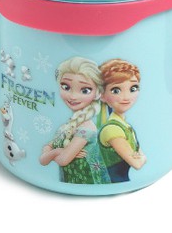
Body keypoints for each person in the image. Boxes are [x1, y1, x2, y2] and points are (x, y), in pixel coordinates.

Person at [39, 57, 110, 185]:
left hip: (88, 182)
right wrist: (57, 152)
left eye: (85, 90)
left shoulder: (87, 128)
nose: (72, 96)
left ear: (98, 93)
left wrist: (55, 152)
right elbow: (44, 157)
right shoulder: (68, 125)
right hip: (69, 180)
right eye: (66, 87)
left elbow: (63, 160)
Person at [98, 59, 146, 182]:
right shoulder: (112, 129)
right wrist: (139, 156)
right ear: (102, 95)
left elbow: (140, 158)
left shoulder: (124, 125)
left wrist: (139, 156)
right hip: (113, 183)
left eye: (133, 88)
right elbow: (137, 163)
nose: (126, 97)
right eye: (116, 90)